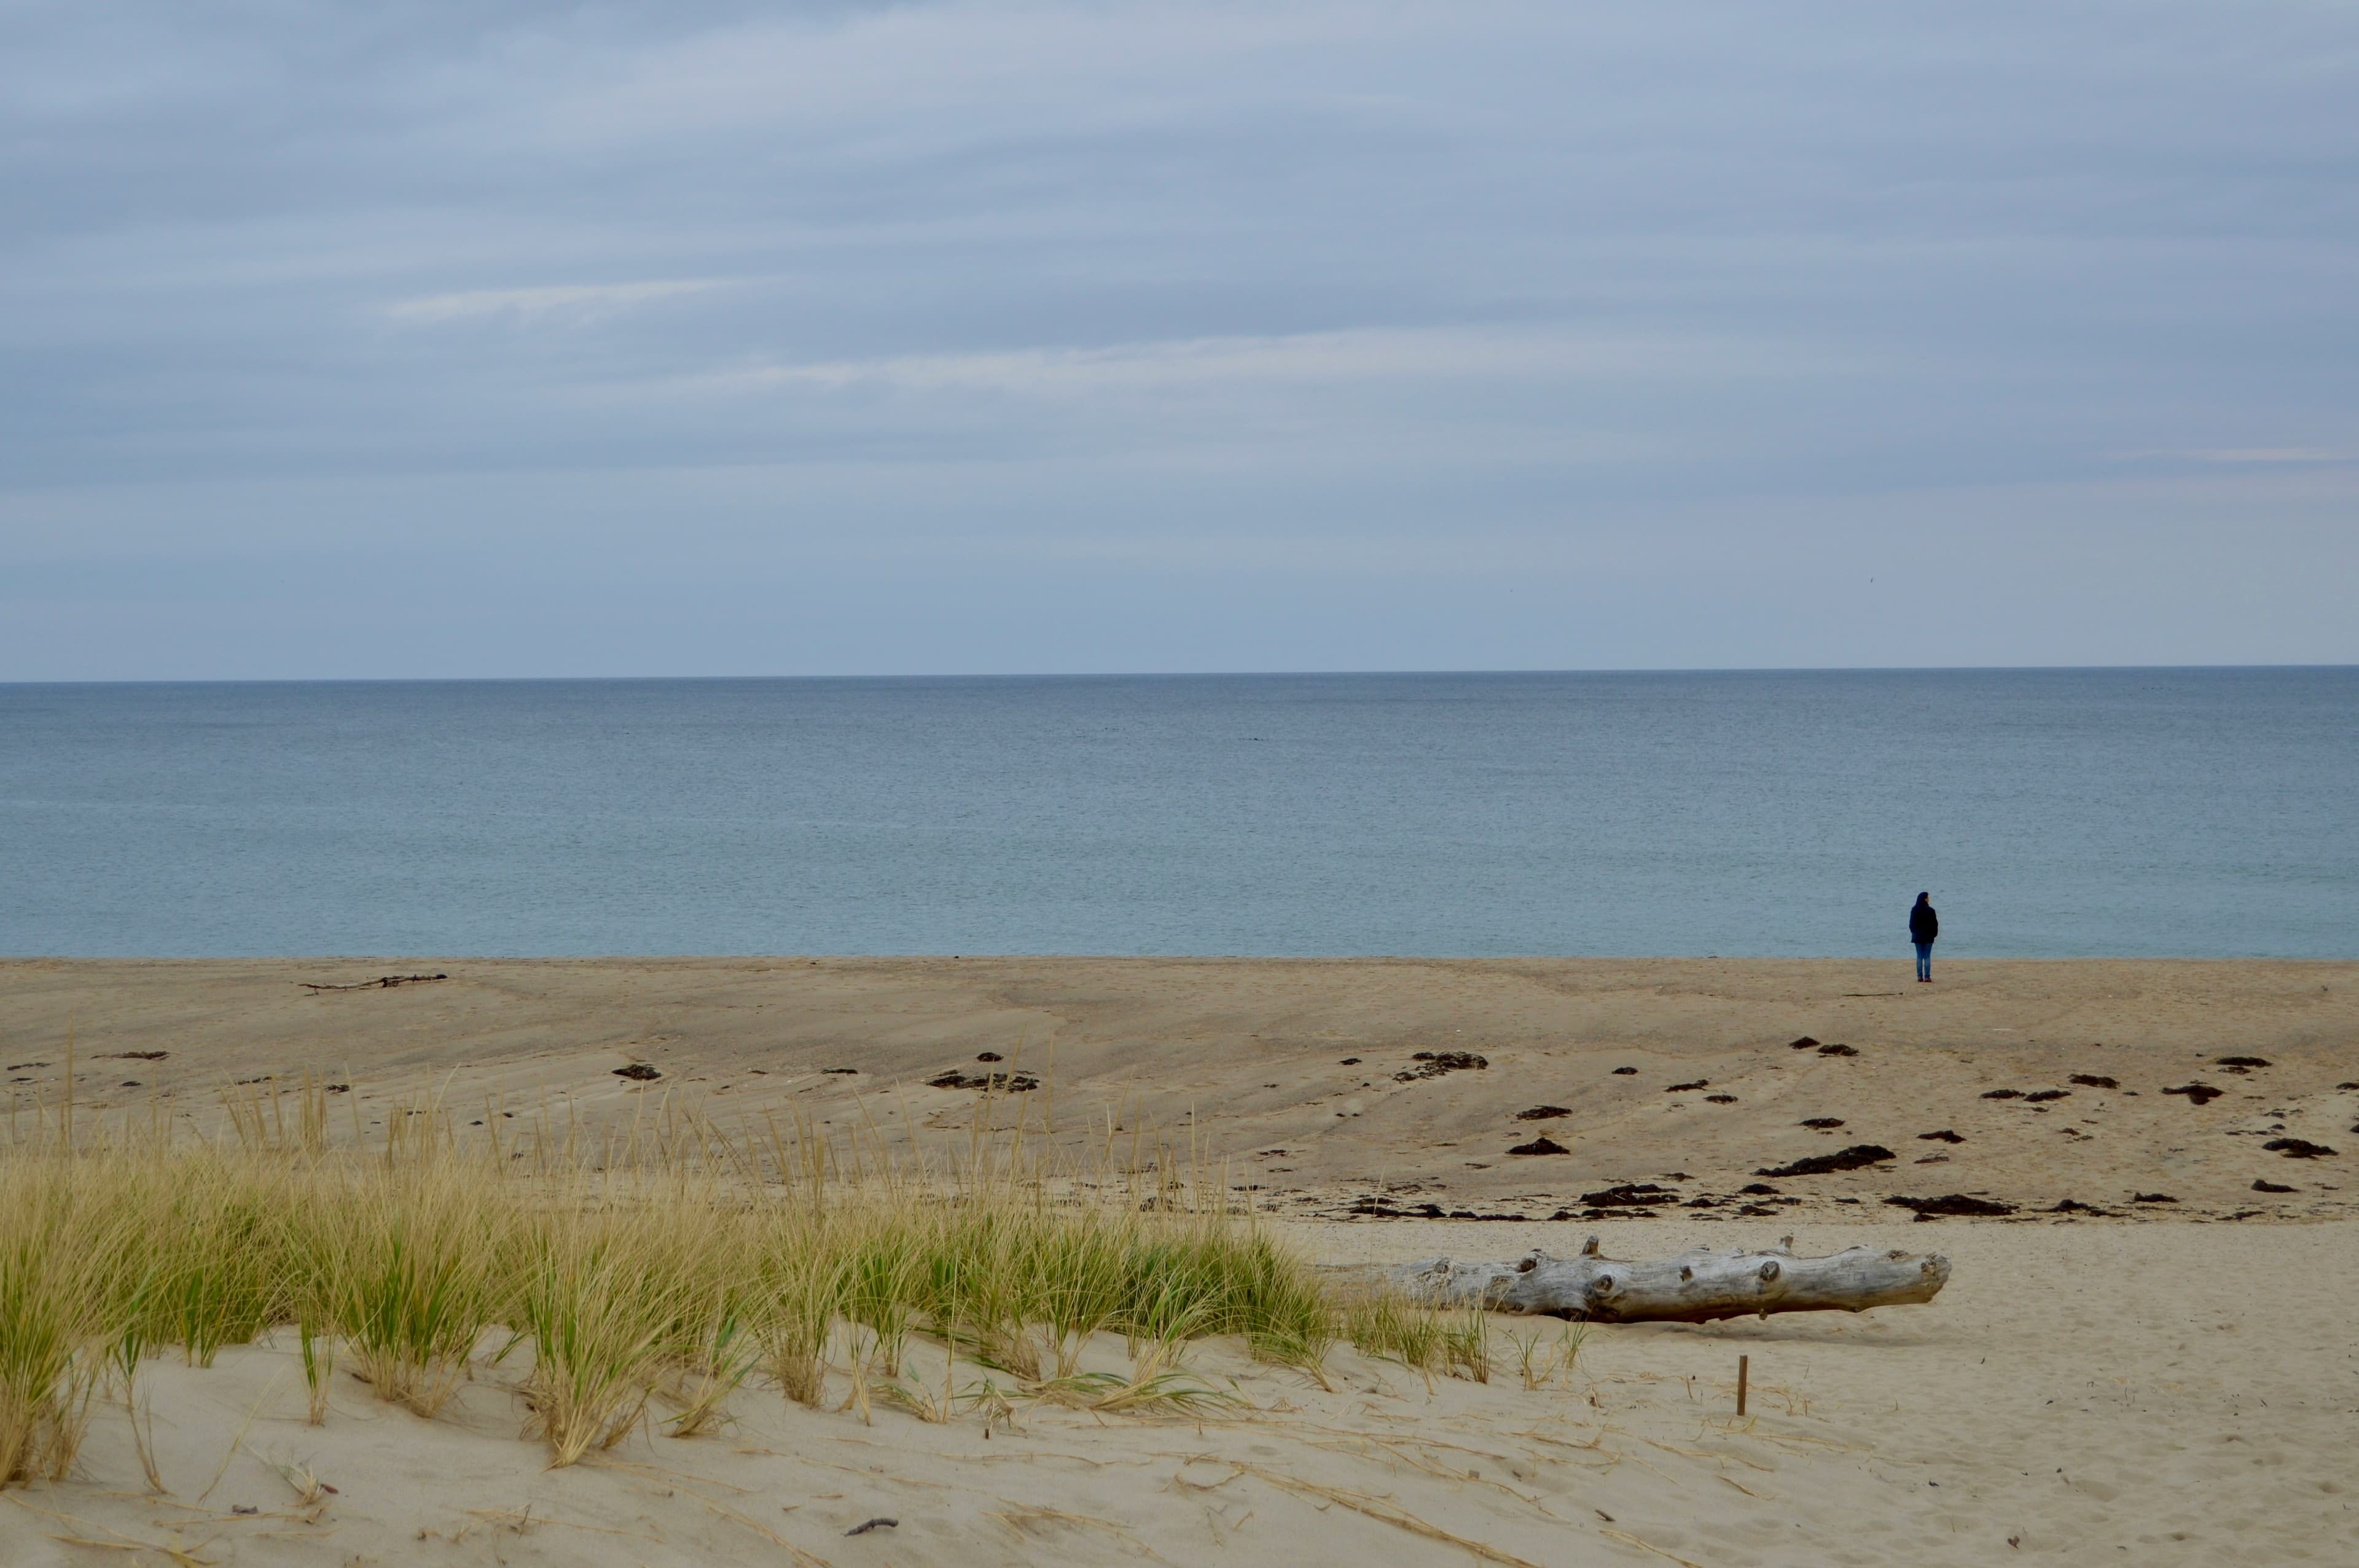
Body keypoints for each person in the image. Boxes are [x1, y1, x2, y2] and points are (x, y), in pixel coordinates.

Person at [1909, 892, 1938, 982]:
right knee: (1927, 956)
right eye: (1928, 898)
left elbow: (1911, 924)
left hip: (1918, 936)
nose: (1928, 899)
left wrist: (1914, 933)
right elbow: (1935, 925)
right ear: (1925, 899)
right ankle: (1927, 977)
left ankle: (1920, 976)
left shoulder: (1915, 910)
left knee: (1920, 956)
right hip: (1929, 937)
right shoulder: (1931, 911)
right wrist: (1934, 934)